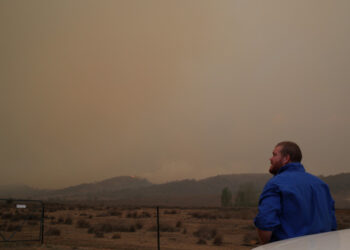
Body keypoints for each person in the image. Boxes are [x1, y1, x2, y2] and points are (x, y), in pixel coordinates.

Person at [254, 141, 337, 244]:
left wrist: (267, 246)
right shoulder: (321, 185)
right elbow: (333, 225)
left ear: (286, 158)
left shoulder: (275, 184)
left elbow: (265, 223)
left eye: (274, 155)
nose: (270, 159)